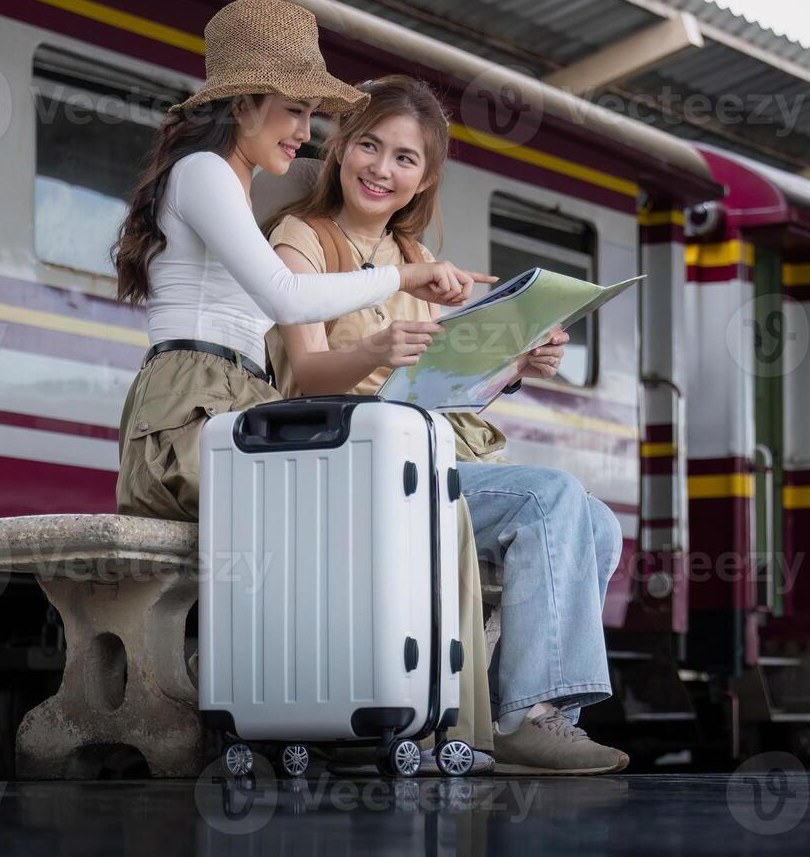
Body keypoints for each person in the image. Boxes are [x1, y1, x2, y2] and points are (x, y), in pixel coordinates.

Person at [261, 74, 627, 776]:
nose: (382, 167)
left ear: (423, 178)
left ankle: (533, 711)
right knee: (549, 497)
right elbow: (303, 373)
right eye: (370, 145)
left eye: (406, 158)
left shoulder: (420, 262)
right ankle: (525, 720)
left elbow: (452, 385)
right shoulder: (304, 238)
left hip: (426, 458)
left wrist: (518, 364)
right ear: (340, 149)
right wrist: (371, 350)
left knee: (600, 522)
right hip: (350, 463)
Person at [111, 0, 490, 522]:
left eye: (312, 115)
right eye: (294, 110)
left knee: (369, 508)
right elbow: (286, 297)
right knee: (360, 511)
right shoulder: (205, 171)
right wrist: (402, 276)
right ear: (242, 106)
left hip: (229, 402)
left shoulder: (231, 184)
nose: (306, 133)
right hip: (192, 409)